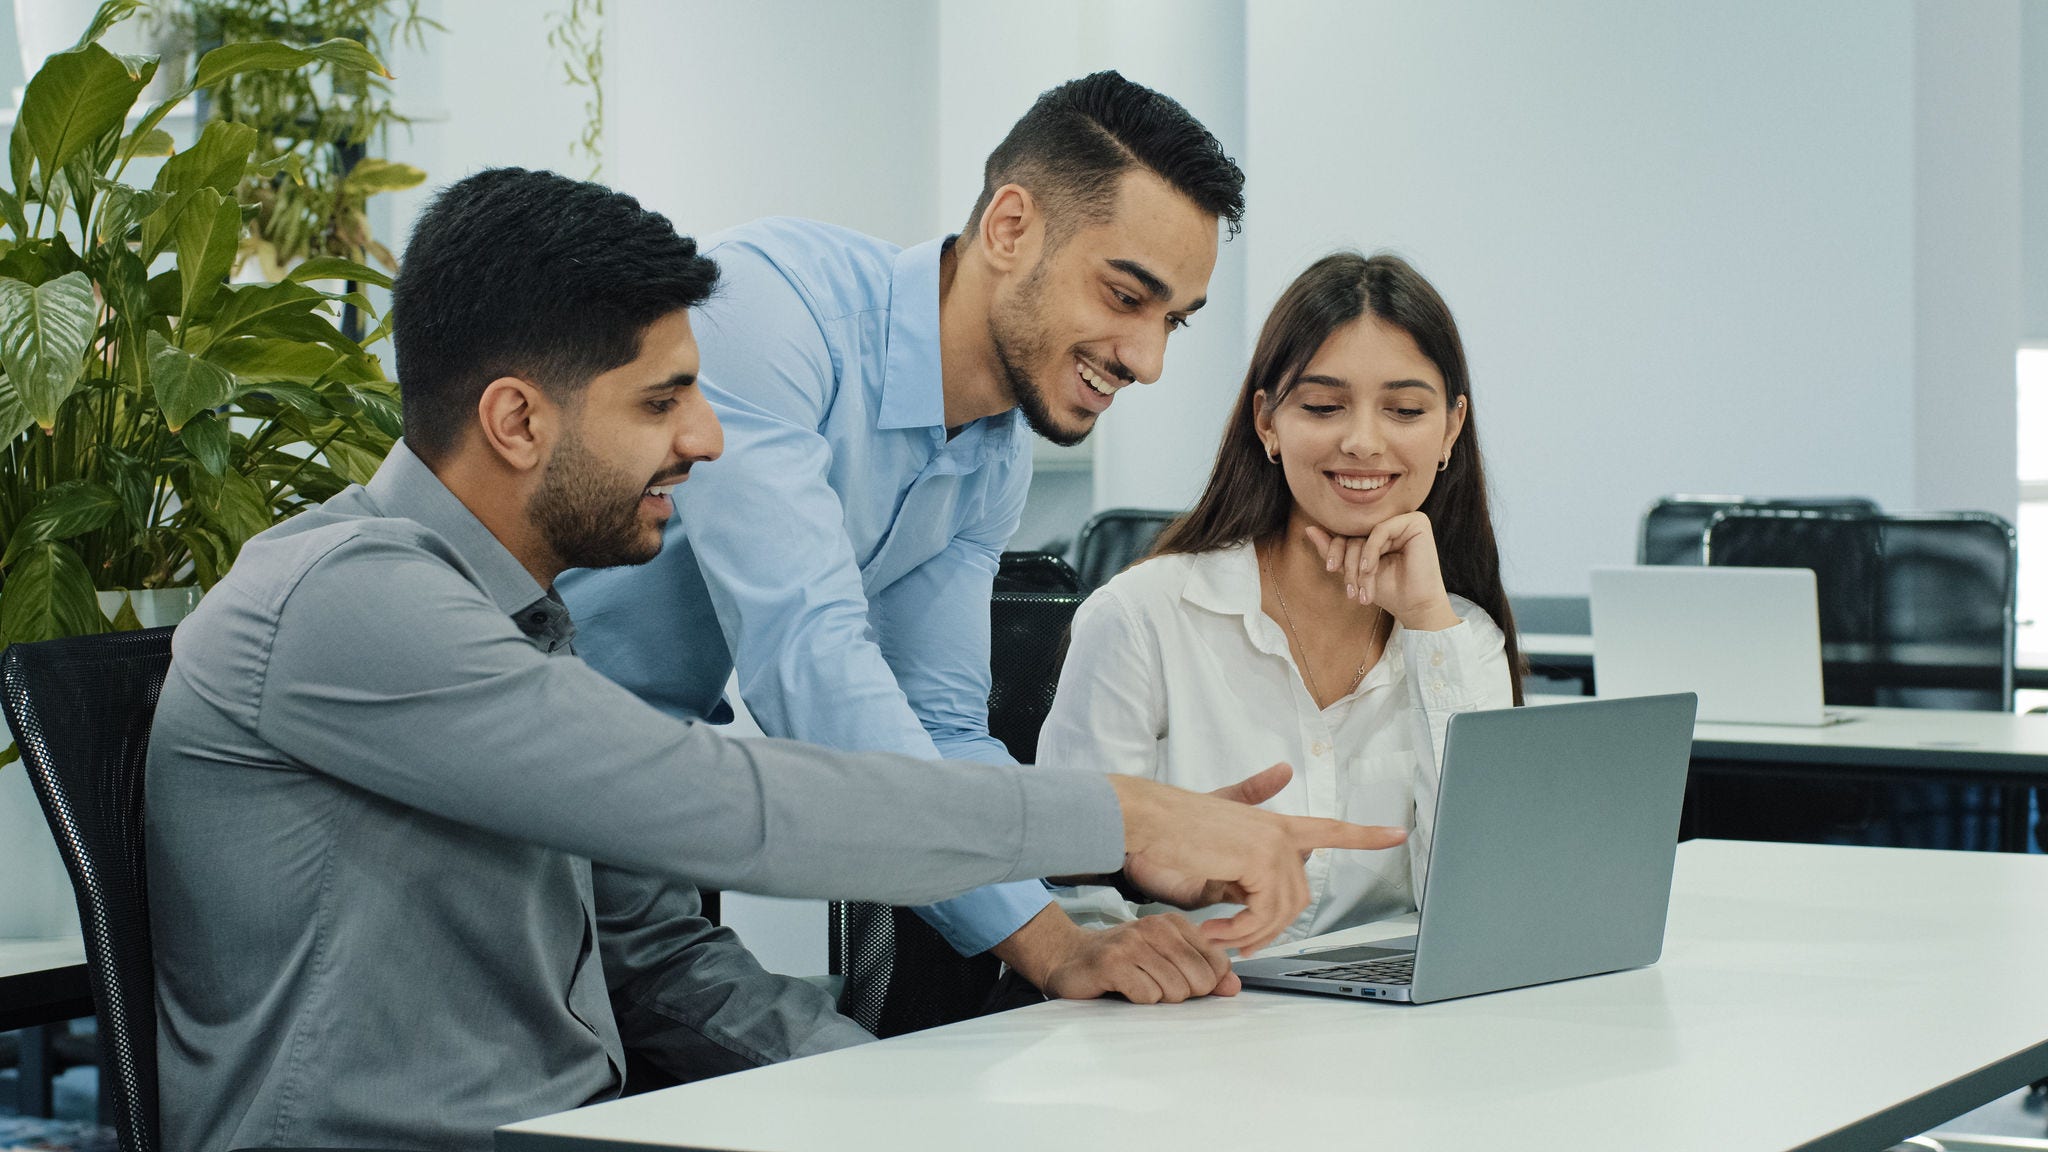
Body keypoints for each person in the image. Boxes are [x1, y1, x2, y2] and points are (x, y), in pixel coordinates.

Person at [143, 169, 1405, 1152]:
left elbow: (652, 947)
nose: (705, 439)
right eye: (659, 403)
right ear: (517, 420)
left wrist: (902, 1093)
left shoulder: (523, 627)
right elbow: (725, 802)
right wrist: (1111, 819)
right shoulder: (346, 603)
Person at [559, 71, 1254, 1006]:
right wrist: (1115, 829)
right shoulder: (771, 309)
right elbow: (808, 661)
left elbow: (943, 723)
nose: (1149, 359)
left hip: (648, 812)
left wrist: (1061, 944)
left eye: (1172, 321)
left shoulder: (994, 456)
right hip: (507, 780)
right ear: (1010, 228)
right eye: (1127, 296)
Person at [1037, 251, 1523, 947]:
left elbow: (1489, 898)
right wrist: (1129, 947)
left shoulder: (1464, 639)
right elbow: (1064, 885)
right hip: (1184, 1020)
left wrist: (1427, 625)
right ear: (1267, 422)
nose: (1362, 441)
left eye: (1406, 410)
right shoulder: (1142, 618)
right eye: (1323, 406)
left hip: (1395, 1034)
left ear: (1449, 429)